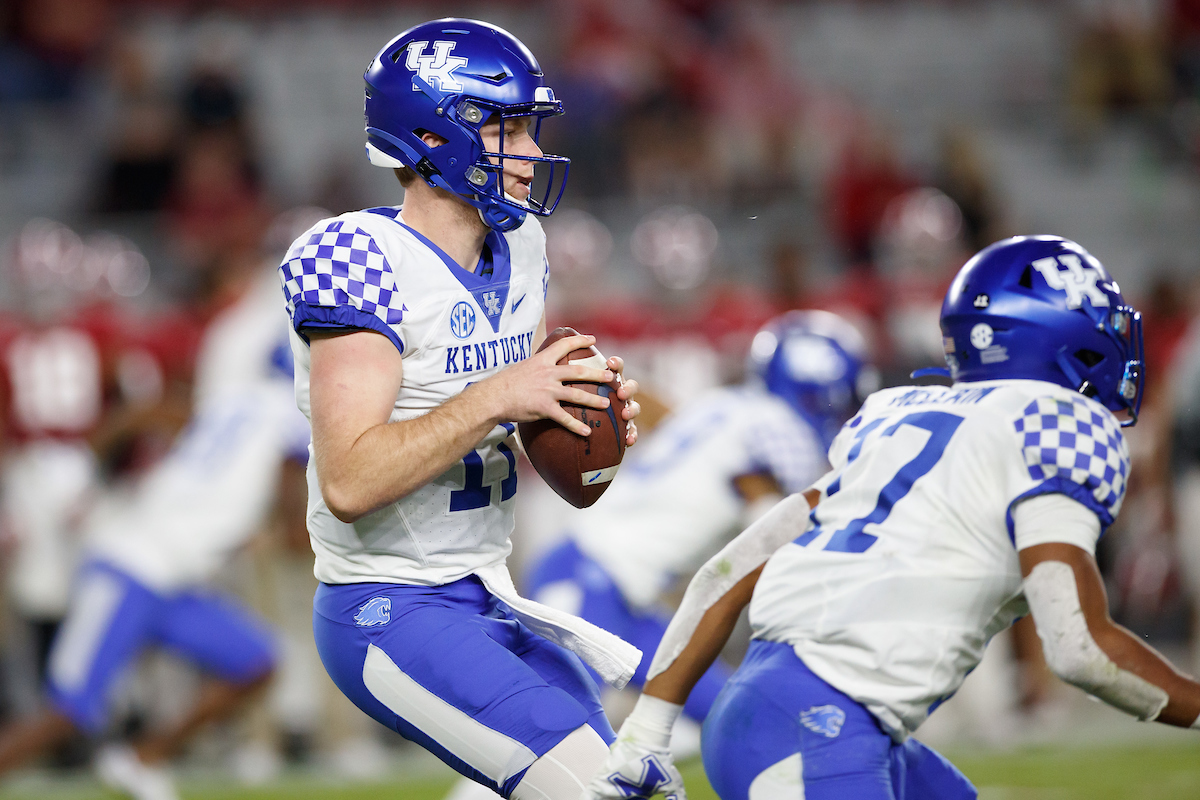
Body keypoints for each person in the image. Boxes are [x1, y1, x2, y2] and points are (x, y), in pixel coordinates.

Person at [584, 235, 1200, 800]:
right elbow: (1082, 647)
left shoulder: (898, 418)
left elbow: (729, 570)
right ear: (1056, 338)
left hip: (770, 712)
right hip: (819, 730)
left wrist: (645, 735)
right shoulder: (1055, 425)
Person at [278, 18, 641, 800]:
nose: (534, 154)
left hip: (486, 589)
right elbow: (349, 480)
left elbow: (510, 425)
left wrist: (577, 419)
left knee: (636, 785)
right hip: (390, 605)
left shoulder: (526, 246)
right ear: (437, 137)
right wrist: (504, 393)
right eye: (509, 129)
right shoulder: (358, 261)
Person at [0, 254, 309, 800]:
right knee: (67, 713)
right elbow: (293, 530)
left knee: (254, 662)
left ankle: (140, 760)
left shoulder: (234, 398)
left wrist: (90, 475)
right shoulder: (290, 420)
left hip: (171, 577)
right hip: (133, 566)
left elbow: (144, 414)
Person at [525, 310, 877, 729]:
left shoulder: (725, 405)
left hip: (624, 599)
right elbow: (774, 526)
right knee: (551, 739)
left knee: (729, 718)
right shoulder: (778, 428)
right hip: (590, 584)